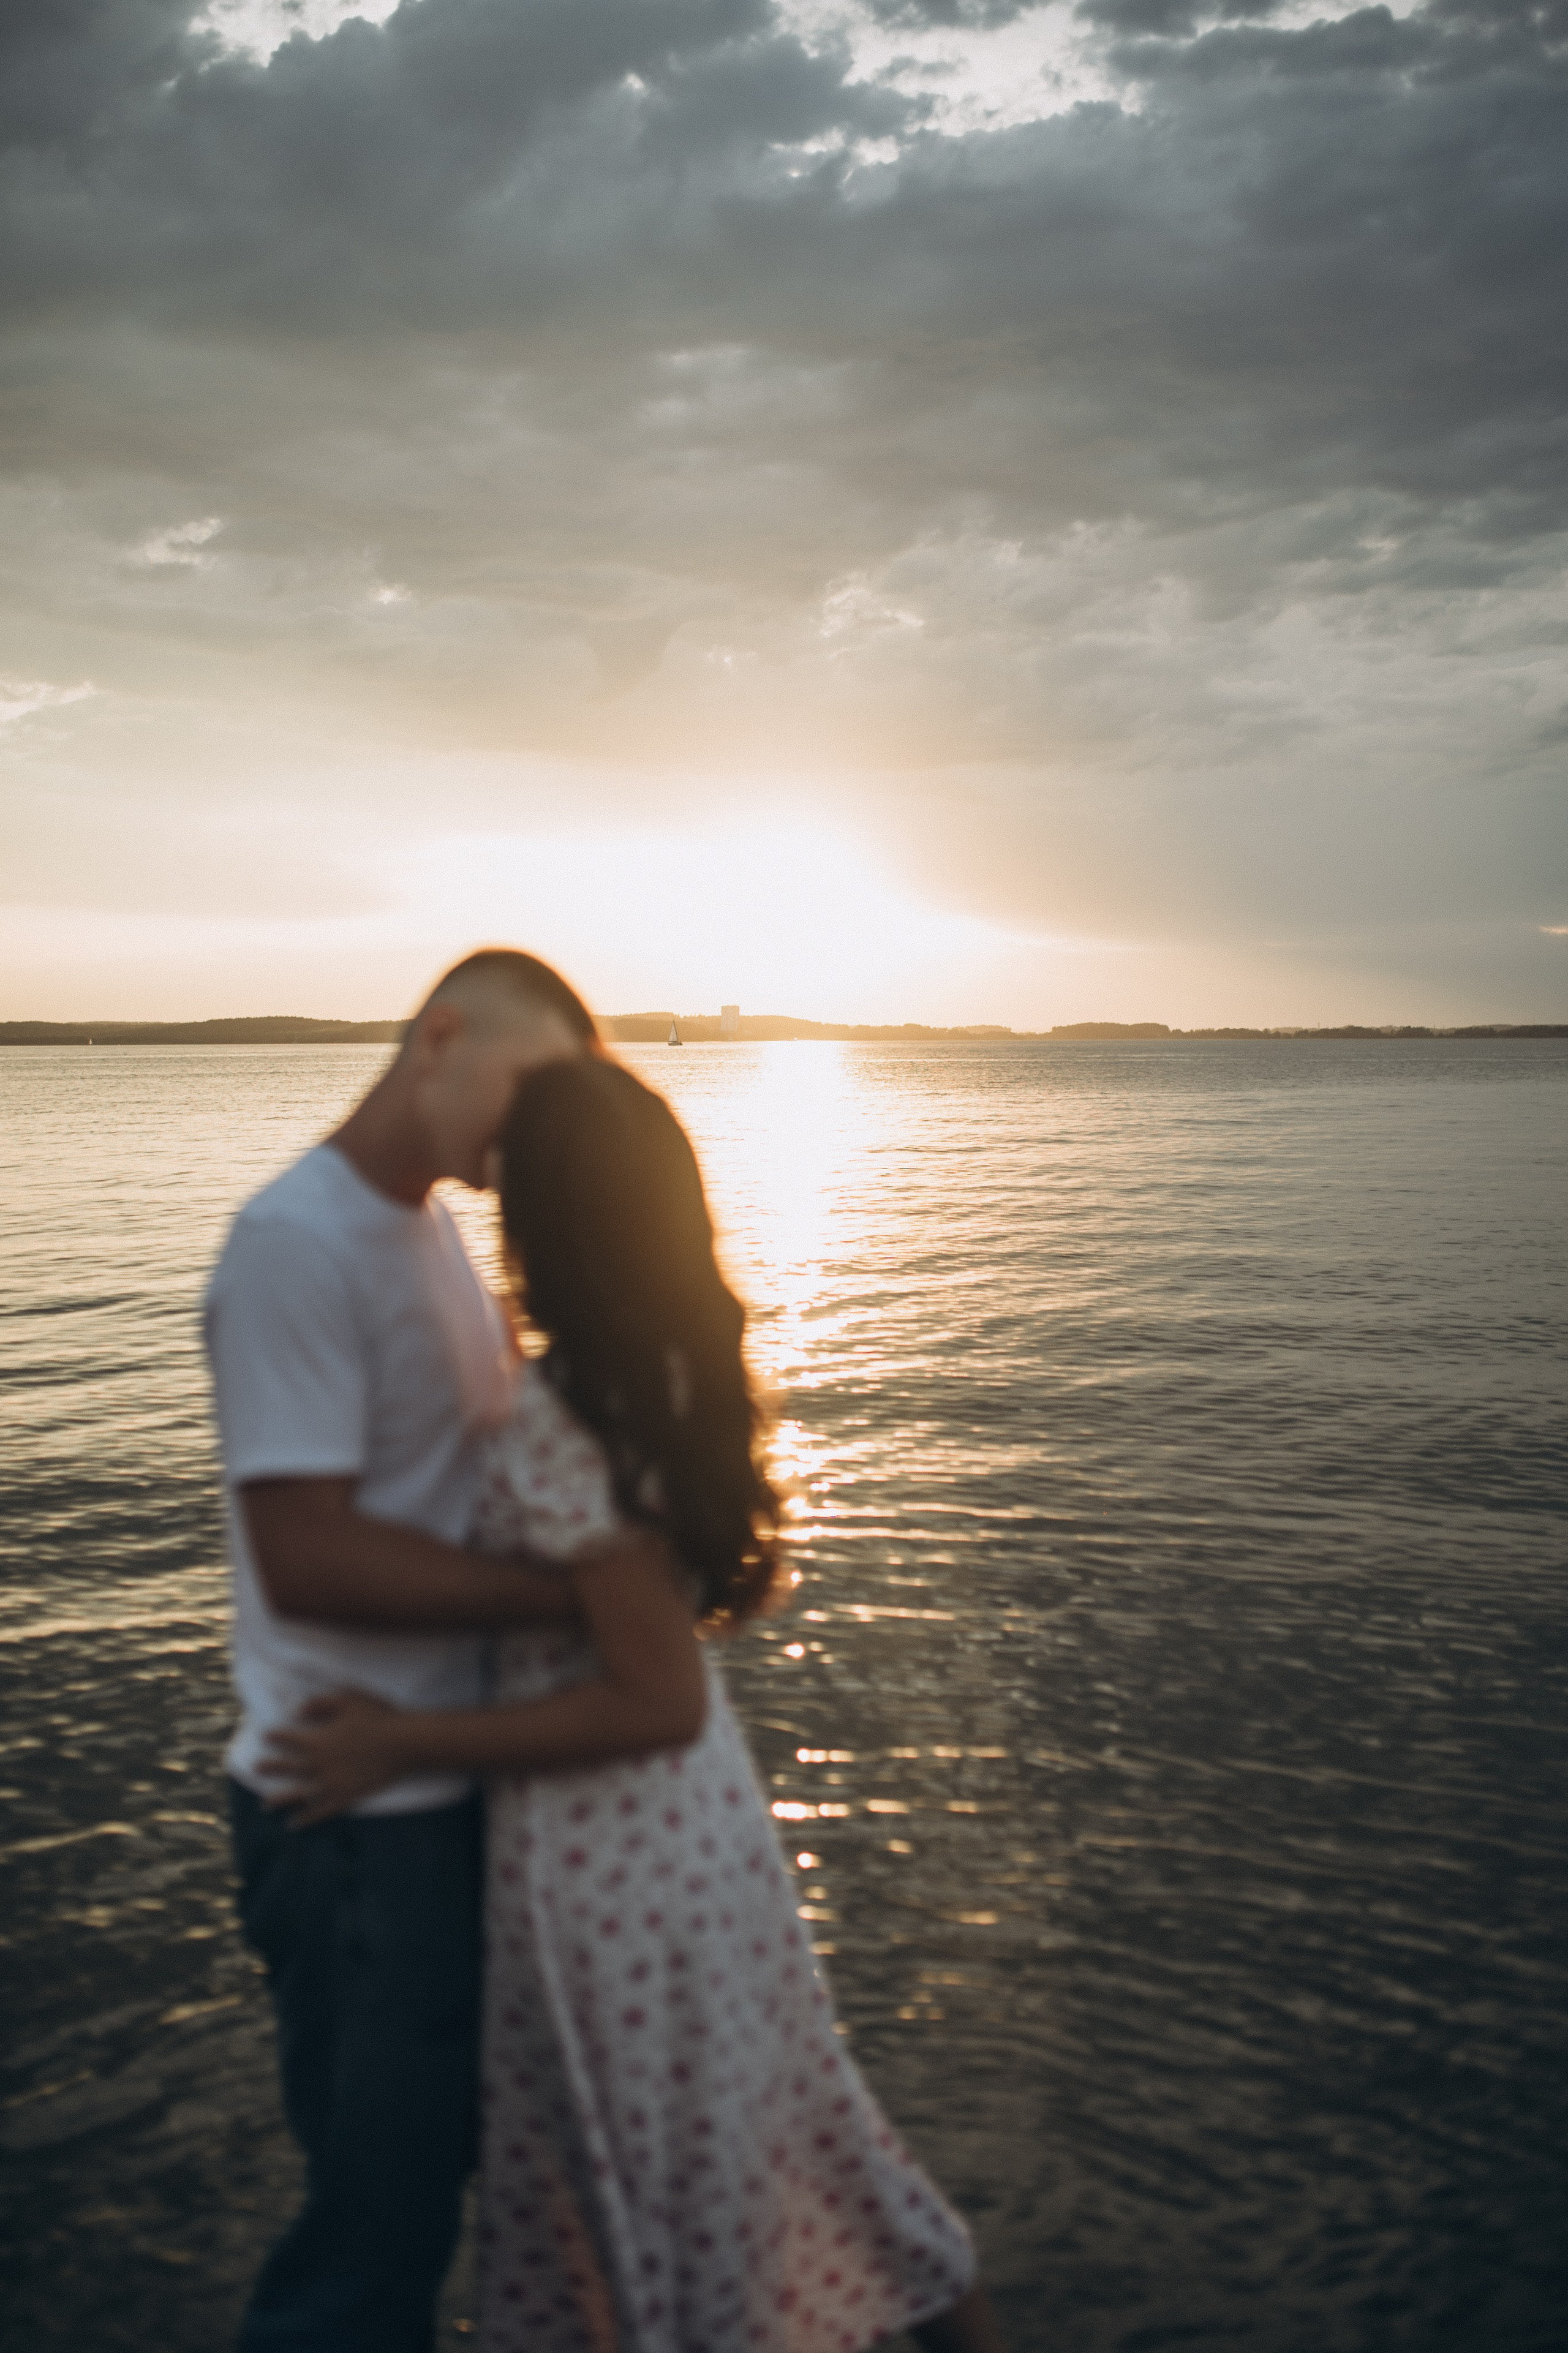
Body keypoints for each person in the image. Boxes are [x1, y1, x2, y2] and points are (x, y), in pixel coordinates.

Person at [264, 1055, 1004, 2353]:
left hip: (607, 1856)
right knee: (807, 2145)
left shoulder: (563, 1417)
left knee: (660, 2189)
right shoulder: (666, 1374)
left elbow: (653, 1697)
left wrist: (399, 1741)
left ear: (545, 1216)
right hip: (704, 1838)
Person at [206, 948, 652, 2353]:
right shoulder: (296, 1242)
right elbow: (306, 1554)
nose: (537, 1135)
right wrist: (579, 1604)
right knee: (373, 2235)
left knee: (439, 2188)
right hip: (352, 1805)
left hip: (439, 1792)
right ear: (439, 1037)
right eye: (530, 1089)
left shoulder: (433, 1231)